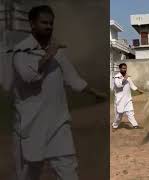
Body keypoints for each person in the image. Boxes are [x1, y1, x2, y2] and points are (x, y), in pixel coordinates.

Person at [11, 5, 106, 180]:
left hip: (58, 124)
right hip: (30, 126)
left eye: (51, 23)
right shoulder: (20, 51)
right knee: (27, 174)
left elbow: (73, 79)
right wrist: (48, 55)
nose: (48, 26)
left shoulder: (57, 50)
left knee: (68, 171)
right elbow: (28, 76)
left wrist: (96, 93)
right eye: (44, 23)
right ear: (32, 24)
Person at [112, 63, 143, 129]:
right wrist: (125, 78)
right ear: (120, 69)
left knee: (130, 112)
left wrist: (139, 90)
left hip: (128, 98)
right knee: (119, 115)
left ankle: (135, 125)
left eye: (125, 68)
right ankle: (115, 125)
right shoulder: (116, 77)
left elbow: (132, 85)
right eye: (123, 68)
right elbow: (118, 85)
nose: (124, 69)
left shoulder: (127, 77)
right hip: (120, 99)